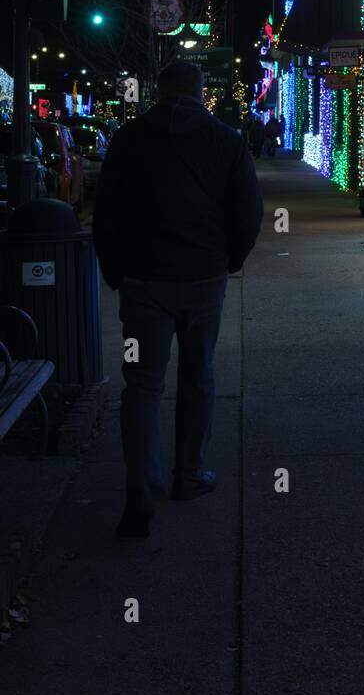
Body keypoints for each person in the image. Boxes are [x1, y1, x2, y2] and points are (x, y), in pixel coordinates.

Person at [93, 62, 263, 539]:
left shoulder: (129, 139)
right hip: (203, 279)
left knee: (142, 383)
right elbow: (248, 211)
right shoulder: (226, 141)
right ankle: (189, 474)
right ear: (200, 92)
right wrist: (229, 259)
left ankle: (139, 484)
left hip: (144, 280)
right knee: (198, 374)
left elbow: (106, 211)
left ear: (160, 91)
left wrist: (115, 270)